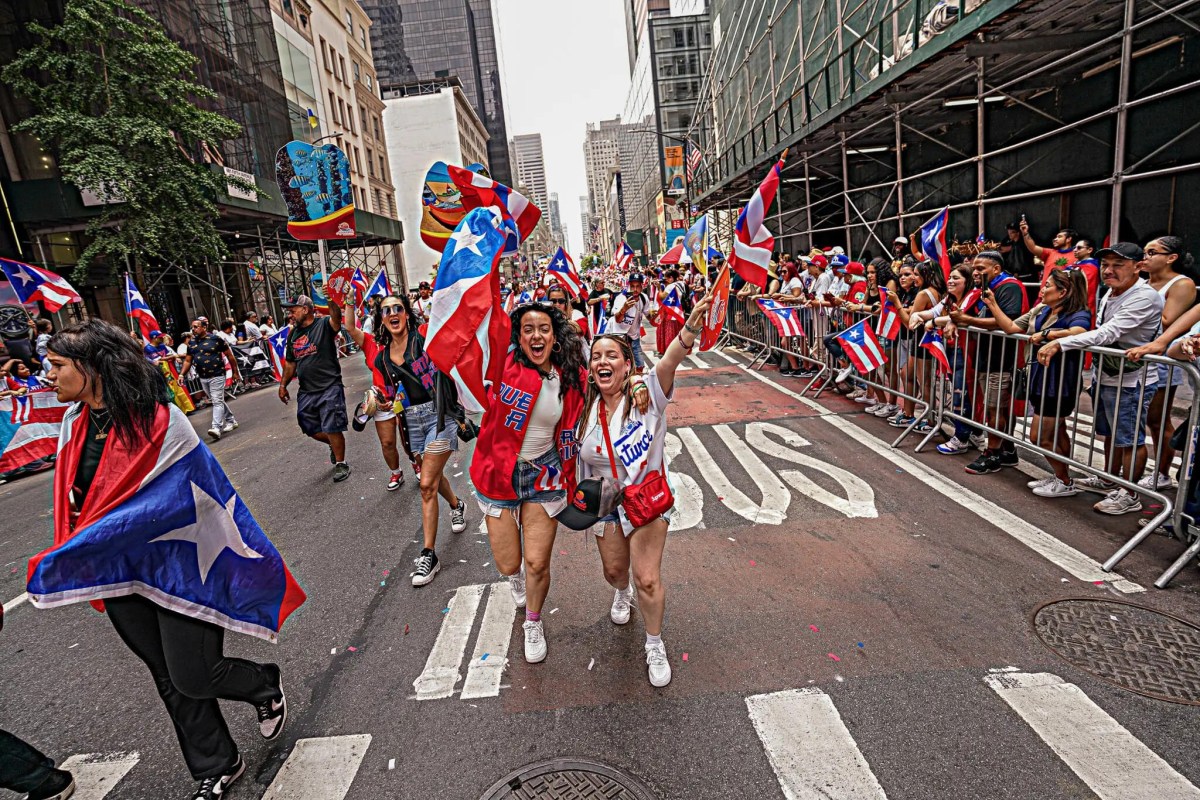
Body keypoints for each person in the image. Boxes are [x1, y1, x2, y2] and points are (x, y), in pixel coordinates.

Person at [38, 320, 291, 800]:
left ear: (91, 367)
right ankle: (217, 764)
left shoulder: (160, 420)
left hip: (181, 565)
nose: (47, 376)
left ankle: (263, 683)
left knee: (195, 673)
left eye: (57, 366)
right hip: (119, 573)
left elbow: (194, 495)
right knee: (167, 678)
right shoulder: (73, 421)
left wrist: (120, 524)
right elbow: (79, 497)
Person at [578, 293, 713, 687]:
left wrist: (690, 326)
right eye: (596, 356)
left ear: (626, 365)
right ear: (590, 370)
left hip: (647, 501)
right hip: (606, 505)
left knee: (647, 578)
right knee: (615, 572)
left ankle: (654, 642)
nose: (603, 361)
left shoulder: (647, 394)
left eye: (612, 355)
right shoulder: (580, 409)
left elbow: (671, 358)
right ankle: (621, 593)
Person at [470, 303, 589, 663]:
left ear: (554, 338)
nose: (536, 336)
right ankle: (516, 579)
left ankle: (533, 622)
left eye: (544, 329)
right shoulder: (500, 367)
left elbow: (608, 383)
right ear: (518, 337)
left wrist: (633, 382)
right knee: (511, 565)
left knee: (537, 563)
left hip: (545, 475)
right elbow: (472, 345)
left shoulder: (571, 376)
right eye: (528, 329)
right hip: (498, 474)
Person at [1037, 242, 1164, 515]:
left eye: (1118, 265)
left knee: (1129, 439)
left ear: (1138, 267)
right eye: (1106, 265)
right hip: (1106, 375)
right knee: (1110, 434)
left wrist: (1061, 343)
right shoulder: (1110, 293)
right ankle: (1109, 478)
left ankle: (1130, 494)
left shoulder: (1144, 296)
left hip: (1132, 380)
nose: (1109, 271)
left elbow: (1107, 333)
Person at [986, 269, 1092, 497]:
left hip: (1059, 382)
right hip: (1037, 378)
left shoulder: (1078, 313)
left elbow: (1080, 331)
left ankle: (1064, 480)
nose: (1042, 289)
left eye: (1048, 286)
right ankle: (1063, 479)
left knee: (1040, 437)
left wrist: (1047, 335)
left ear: (1063, 292)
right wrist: (993, 304)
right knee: (1058, 432)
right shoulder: (1041, 310)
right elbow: (1012, 327)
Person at [950, 251, 1028, 474]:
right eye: (974, 268)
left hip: (1001, 359)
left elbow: (1007, 322)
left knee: (995, 409)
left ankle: (992, 454)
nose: (976, 272)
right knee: (998, 408)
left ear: (996, 269)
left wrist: (967, 320)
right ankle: (1007, 450)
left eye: (981, 269)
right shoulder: (985, 289)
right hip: (988, 357)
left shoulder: (1008, 287)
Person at [1137, 236, 1197, 491]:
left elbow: (1166, 321)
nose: (1145, 257)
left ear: (1171, 257)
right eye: (1144, 252)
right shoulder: (1142, 282)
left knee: (1156, 419)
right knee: (1132, 418)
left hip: (1161, 359)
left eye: (1152, 252)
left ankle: (1161, 473)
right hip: (1137, 356)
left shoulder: (1181, 284)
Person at [278, 295, 351, 482]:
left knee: (332, 426)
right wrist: (283, 385)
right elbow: (290, 363)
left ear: (305, 309)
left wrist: (331, 299)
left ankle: (341, 463)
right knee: (307, 426)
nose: (290, 314)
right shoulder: (293, 334)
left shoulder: (324, 325)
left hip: (329, 386)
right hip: (307, 390)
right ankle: (333, 445)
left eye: (293, 310)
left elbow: (336, 319)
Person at [179, 318, 241, 441]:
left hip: (217, 375)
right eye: (192, 327)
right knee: (217, 399)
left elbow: (230, 356)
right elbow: (187, 360)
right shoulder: (191, 343)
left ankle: (216, 428)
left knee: (217, 400)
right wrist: (181, 375)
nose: (193, 329)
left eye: (196, 327)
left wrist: (235, 372)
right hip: (203, 377)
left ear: (204, 327)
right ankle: (231, 420)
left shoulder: (216, 339)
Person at [607, 274, 651, 375]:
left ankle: (634, 386)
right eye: (632, 286)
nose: (635, 290)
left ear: (642, 286)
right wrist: (624, 308)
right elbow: (617, 319)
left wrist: (657, 314)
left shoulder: (644, 298)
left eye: (638, 286)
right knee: (619, 366)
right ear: (628, 286)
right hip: (619, 337)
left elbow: (649, 316)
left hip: (634, 337)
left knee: (640, 366)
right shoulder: (621, 298)